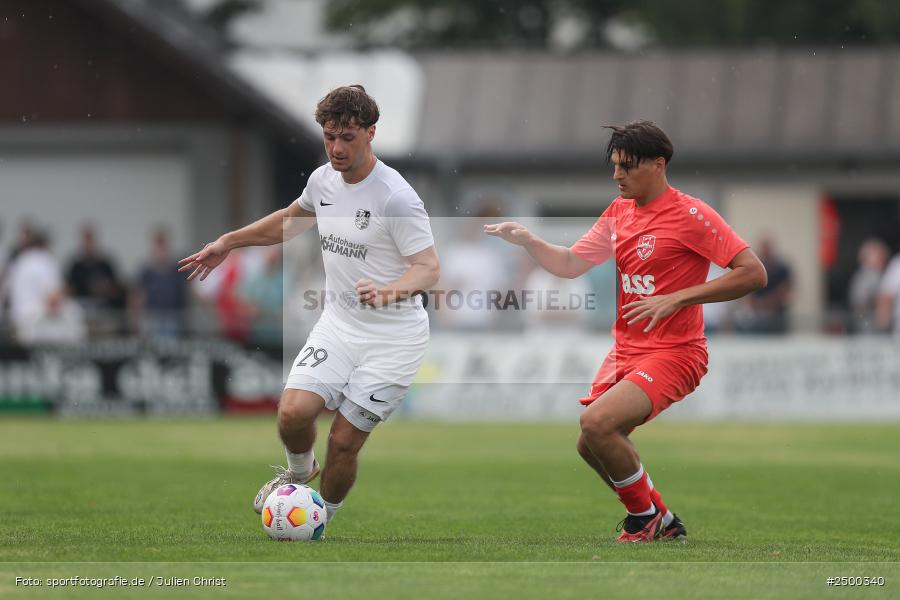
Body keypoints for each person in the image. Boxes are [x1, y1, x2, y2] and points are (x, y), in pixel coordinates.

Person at [485, 121, 766, 543]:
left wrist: (678, 298)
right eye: (614, 166)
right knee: (590, 442)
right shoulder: (619, 213)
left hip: (676, 351)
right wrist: (529, 241)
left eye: (627, 167)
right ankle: (663, 520)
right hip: (628, 349)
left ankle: (644, 519)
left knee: (597, 423)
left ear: (658, 164)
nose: (617, 175)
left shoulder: (692, 215)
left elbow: (753, 274)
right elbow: (569, 264)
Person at [179, 85, 440, 525]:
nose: (336, 148)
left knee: (343, 443)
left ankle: (320, 516)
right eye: (329, 136)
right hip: (339, 325)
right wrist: (229, 242)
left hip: (393, 340)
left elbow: (429, 269)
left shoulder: (396, 197)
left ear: (371, 133)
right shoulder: (322, 181)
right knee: (292, 413)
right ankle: (300, 474)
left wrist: (389, 290)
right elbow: (287, 221)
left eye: (348, 138)